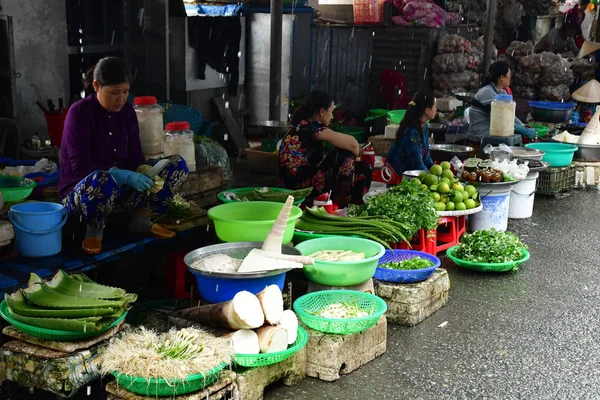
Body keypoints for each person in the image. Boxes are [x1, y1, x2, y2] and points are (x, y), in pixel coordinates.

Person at [59, 57, 189, 255]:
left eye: (125, 92)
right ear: (96, 86)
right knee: (100, 178)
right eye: (114, 93)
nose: (121, 98)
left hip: (120, 195)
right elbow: (80, 168)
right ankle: (94, 231)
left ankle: (141, 219)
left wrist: (145, 170)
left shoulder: (127, 112)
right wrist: (122, 175)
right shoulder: (79, 113)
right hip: (83, 197)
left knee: (175, 165)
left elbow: (136, 155)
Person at [278, 91, 372, 207]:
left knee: (360, 166)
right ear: (322, 111)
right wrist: (356, 154)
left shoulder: (302, 125)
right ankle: (344, 202)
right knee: (346, 153)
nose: (332, 116)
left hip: (294, 181)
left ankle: (352, 202)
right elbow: (352, 144)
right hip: (300, 186)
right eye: (331, 112)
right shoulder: (312, 128)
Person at [467, 61, 536, 145]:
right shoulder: (487, 92)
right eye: (509, 75)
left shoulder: (502, 93)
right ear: (502, 77)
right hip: (479, 136)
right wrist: (524, 131)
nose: (510, 77)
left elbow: (509, 116)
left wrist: (523, 126)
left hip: (494, 133)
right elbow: (502, 120)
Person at [385, 92, 435, 177]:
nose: (436, 109)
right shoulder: (411, 132)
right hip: (398, 175)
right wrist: (431, 177)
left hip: (412, 172)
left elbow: (425, 157)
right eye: (434, 106)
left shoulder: (424, 127)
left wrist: (435, 170)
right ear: (427, 110)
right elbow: (417, 164)